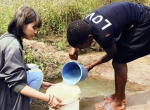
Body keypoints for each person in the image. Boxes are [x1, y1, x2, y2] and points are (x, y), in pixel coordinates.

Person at [66, 1, 150, 110]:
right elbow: (77, 27)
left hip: (145, 21)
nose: (81, 49)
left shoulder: (103, 36)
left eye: (81, 47)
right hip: (135, 13)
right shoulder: (85, 23)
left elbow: (112, 54)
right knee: (120, 54)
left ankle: (119, 103)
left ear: (90, 37)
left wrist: (92, 65)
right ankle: (119, 95)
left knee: (119, 61)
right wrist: (73, 47)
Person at [0, 6, 64, 110]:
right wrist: (48, 98)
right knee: (37, 73)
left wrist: (41, 83)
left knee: (33, 68)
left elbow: (11, 70)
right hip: (4, 94)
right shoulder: (13, 46)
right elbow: (16, 84)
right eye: (34, 28)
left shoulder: (7, 37)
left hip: (3, 82)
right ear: (22, 24)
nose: (36, 32)